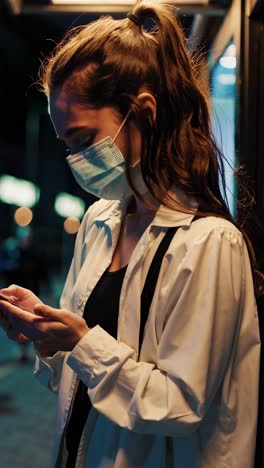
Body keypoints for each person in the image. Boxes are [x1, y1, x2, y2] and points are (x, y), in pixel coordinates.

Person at [0, 1, 262, 467]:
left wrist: (81, 342)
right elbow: (81, 382)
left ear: (143, 113)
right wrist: (47, 334)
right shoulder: (100, 221)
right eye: (67, 145)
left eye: (83, 139)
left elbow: (181, 404)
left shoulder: (209, 243)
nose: (76, 158)